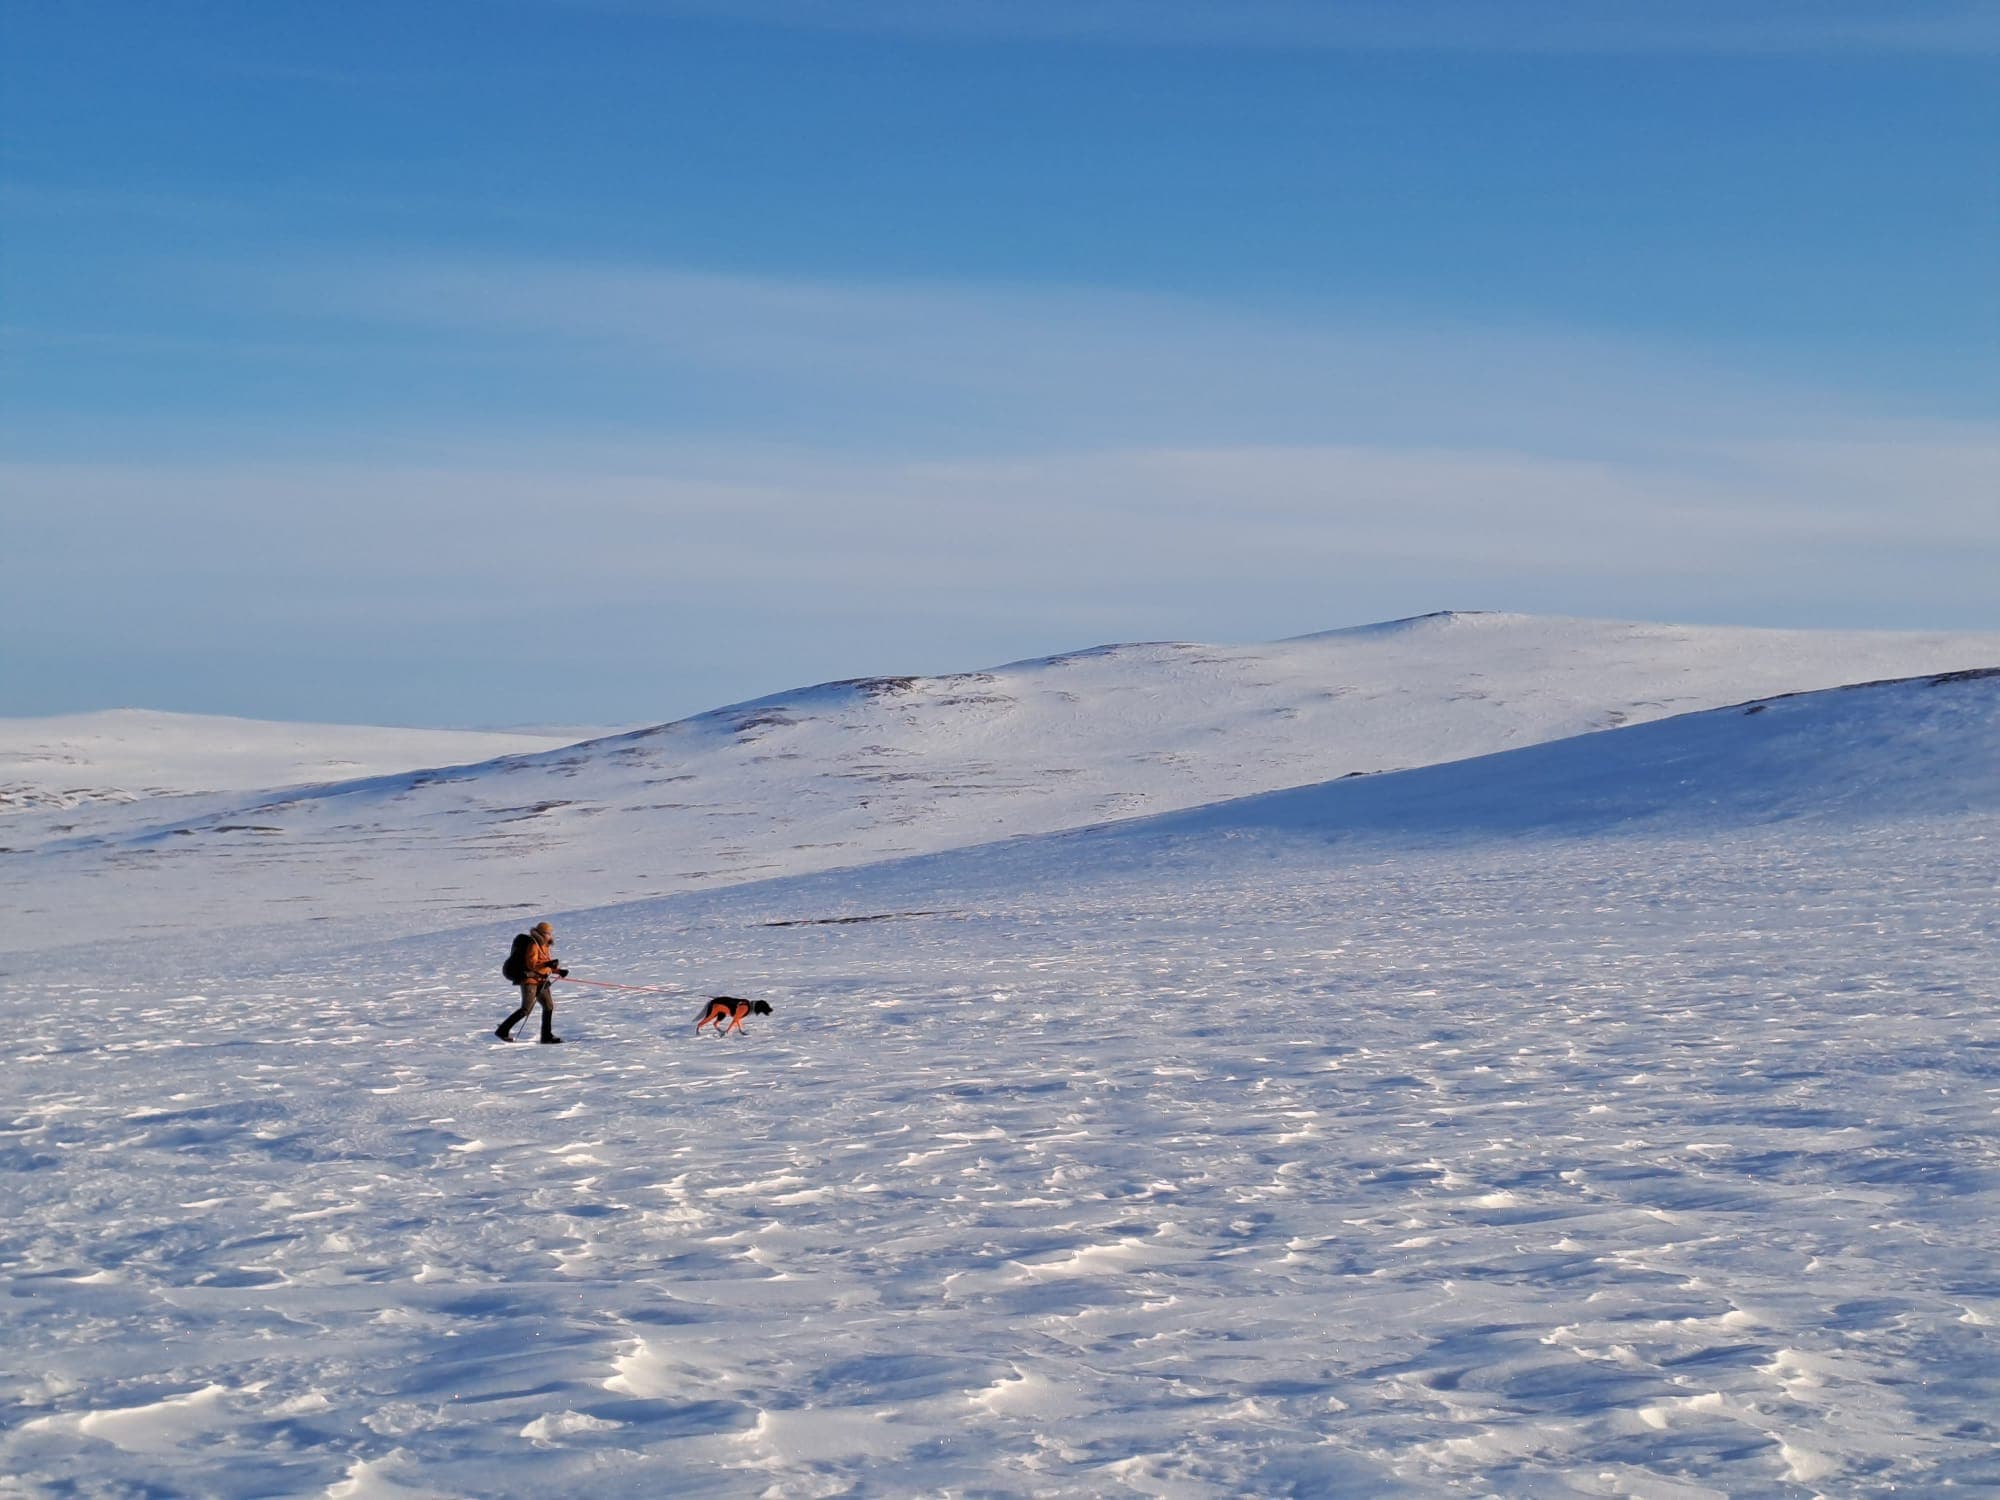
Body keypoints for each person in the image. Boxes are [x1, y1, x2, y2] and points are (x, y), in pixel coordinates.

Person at [497, 921, 568, 1043]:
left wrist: (558, 971)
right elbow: (532, 965)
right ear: (542, 933)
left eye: (550, 933)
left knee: (548, 1006)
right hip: (530, 980)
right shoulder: (533, 945)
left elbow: (545, 964)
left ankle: (546, 1036)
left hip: (541, 980)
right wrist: (548, 964)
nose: (550, 935)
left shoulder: (545, 945)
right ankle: (502, 1030)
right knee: (526, 1009)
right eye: (548, 933)